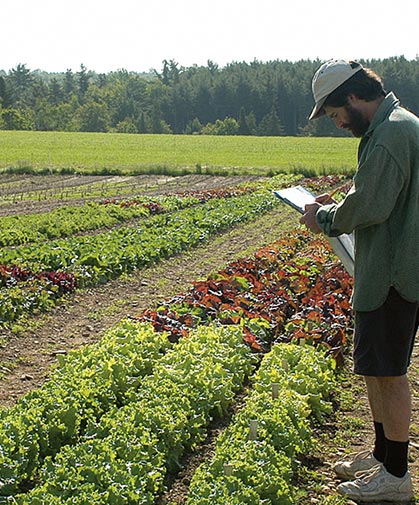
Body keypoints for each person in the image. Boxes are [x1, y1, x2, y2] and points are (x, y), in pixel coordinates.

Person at [300, 59, 419, 502]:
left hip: (391, 273)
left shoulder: (389, 134)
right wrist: (345, 202)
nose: (338, 124)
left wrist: (325, 217)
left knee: (389, 373)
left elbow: (371, 206)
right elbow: (376, 193)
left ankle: (396, 476)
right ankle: (382, 454)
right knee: (376, 368)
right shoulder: (394, 125)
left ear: (352, 97)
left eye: (335, 115)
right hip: (390, 268)